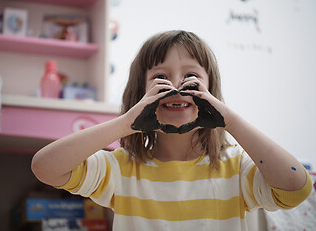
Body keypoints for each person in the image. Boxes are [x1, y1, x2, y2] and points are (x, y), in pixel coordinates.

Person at [31, 30, 312, 230]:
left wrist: (232, 122)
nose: (176, 86)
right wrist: (126, 122)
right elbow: (45, 168)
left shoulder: (236, 168)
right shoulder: (122, 169)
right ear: (140, 94)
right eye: (160, 77)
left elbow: (295, 189)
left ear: (210, 92)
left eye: (191, 76)